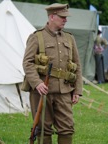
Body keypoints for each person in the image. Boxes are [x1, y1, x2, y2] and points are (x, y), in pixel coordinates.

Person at [22, 3, 83, 144]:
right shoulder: (37, 37)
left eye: (65, 17)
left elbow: (77, 65)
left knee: (67, 128)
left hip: (64, 91)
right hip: (42, 91)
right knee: (44, 129)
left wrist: (77, 90)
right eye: (62, 17)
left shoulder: (69, 38)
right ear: (51, 17)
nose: (65, 20)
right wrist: (37, 83)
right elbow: (27, 63)